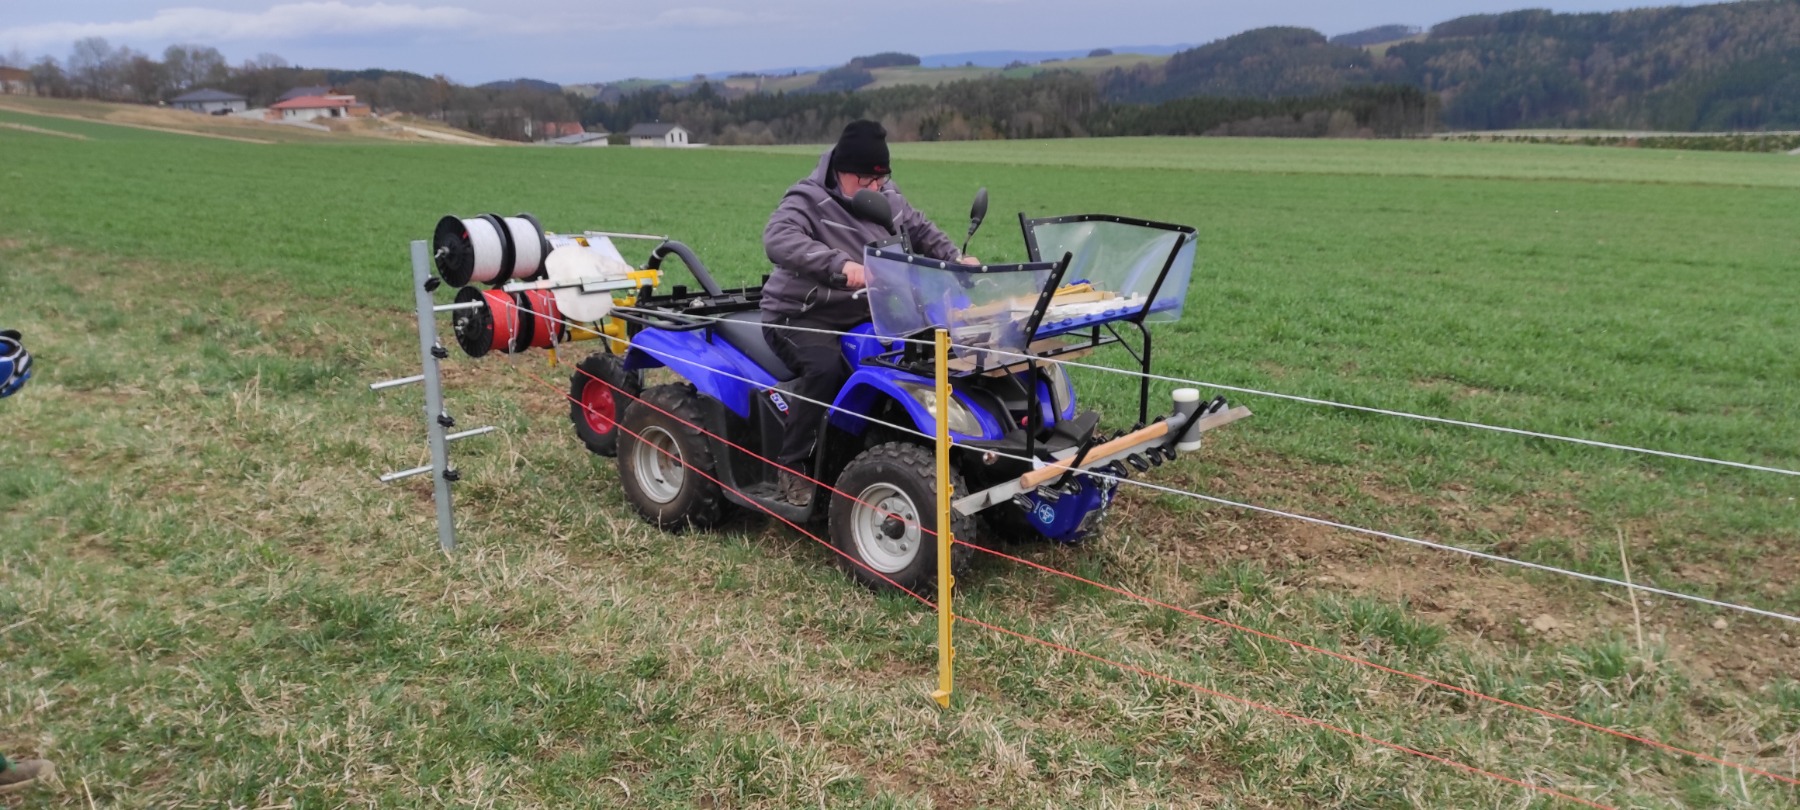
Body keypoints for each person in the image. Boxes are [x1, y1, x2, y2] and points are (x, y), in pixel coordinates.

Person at [761, 120, 977, 507]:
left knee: (916, 359)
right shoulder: (807, 198)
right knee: (825, 369)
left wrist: (956, 259)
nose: (875, 187)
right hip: (802, 314)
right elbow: (778, 238)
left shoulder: (885, 194)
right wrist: (841, 266)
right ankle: (793, 467)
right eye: (866, 179)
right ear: (841, 170)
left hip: (866, 311)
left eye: (881, 178)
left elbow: (919, 229)